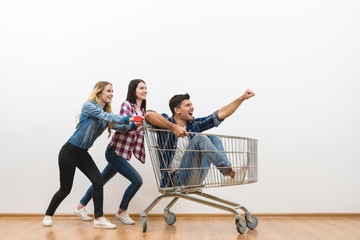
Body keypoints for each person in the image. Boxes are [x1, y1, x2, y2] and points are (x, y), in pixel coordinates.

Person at [43, 81, 142, 229]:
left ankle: (99, 218)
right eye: (108, 91)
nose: (112, 94)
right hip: (69, 151)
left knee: (98, 181)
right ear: (99, 92)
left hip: (82, 153)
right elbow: (107, 117)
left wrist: (134, 125)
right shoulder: (89, 106)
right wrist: (130, 118)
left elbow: (118, 126)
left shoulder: (104, 117)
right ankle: (48, 215)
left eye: (112, 91)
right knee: (65, 189)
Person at [145, 89, 255, 188]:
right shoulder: (165, 122)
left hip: (196, 175)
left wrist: (242, 98)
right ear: (177, 110)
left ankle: (228, 174)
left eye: (191, 104)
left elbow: (221, 114)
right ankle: (230, 173)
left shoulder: (194, 125)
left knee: (212, 138)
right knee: (199, 138)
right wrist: (173, 128)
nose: (192, 107)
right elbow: (149, 115)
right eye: (188, 105)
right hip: (177, 179)